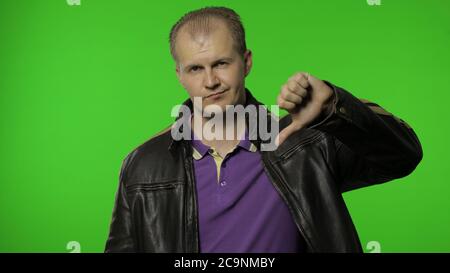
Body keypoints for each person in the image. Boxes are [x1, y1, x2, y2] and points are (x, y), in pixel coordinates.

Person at [105, 6, 422, 253]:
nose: (210, 81)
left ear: (247, 62)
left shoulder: (305, 142)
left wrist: (333, 107)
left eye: (221, 63)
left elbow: (402, 156)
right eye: (195, 68)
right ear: (179, 74)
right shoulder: (144, 165)